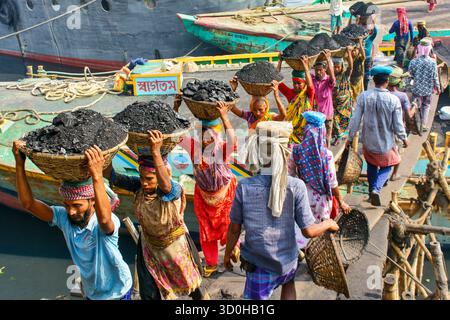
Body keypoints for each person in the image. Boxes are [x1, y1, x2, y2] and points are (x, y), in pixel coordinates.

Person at [223, 121, 340, 300]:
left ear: (259, 151)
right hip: (288, 261)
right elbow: (309, 231)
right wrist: (329, 223)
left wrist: (228, 252)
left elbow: (234, 229)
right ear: (286, 152)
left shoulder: (244, 187)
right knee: (288, 283)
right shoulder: (296, 186)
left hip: (259, 262)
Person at [12, 142, 133, 300]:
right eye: (67, 205)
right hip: (93, 294)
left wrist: (97, 174)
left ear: (93, 201)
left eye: (77, 205)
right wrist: (19, 163)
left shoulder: (104, 223)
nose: (71, 211)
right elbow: (29, 204)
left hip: (118, 292)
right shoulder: (64, 218)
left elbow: (105, 219)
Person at [109, 131, 208, 300]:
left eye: (149, 178)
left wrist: (156, 152)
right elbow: (112, 177)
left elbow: (166, 187)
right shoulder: (138, 186)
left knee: (193, 285)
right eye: (141, 178)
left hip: (175, 248)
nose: (144, 183)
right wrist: (105, 157)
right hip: (149, 248)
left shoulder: (173, 190)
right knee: (149, 292)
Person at [174, 99, 240, 278]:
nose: (207, 139)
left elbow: (233, 139)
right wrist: (176, 107)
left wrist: (225, 117)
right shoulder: (194, 147)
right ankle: (211, 262)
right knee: (205, 231)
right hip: (203, 196)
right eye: (204, 135)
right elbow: (176, 135)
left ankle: (234, 248)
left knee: (229, 224)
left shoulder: (221, 149)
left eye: (212, 136)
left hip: (225, 194)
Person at [347, 66, 408, 206]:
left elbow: (355, 120)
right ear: (387, 82)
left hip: (369, 141)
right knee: (389, 165)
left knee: (372, 165)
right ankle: (376, 189)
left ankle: (371, 192)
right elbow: (398, 124)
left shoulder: (364, 96)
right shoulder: (393, 100)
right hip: (386, 142)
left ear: (374, 81)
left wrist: (350, 138)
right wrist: (404, 138)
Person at [290, 111, 351, 226]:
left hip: (301, 197)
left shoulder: (295, 151)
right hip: (320, 203)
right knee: (318, 231)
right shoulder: (326, 155)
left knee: (302, 230)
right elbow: (332, 183)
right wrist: (341, 202)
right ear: (322, 132)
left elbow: (290, 176)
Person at [276, 54, 316, 144]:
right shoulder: (290, 93)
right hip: (292, 132)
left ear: (304, 83)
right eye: (294, 83)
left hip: (306, 133)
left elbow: (310, 85)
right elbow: (277, 79)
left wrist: (306, 66)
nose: (296, 85)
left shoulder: (308, 94)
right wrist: (280, 61)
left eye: (299, 83)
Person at [408, 38, 441, 132]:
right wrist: (438, 88)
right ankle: (423, 125)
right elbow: (435, 77)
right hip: (428, 89)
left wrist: (409, 87)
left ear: (419, 48)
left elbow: (409, 77)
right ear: (429, 49)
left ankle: (414, 127)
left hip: (416, 89)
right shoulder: (432, 62)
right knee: (426, 106)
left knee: (415, 106)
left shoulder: (413, 62)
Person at [387, 70, 414, 181]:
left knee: (386, 151)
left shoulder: (384, 94)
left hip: (384, 128)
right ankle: (394, 174)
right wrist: (415, 107)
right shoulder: (402, 96)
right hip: (398, 129)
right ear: (399, 83)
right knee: (398, 152)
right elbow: (409, 116)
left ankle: (383, 175)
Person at [312, 50, 336, 147]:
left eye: (320, 70)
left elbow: (332, 77)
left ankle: (328, 154)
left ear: (324, 70)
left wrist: (328, 59)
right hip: (316, 114)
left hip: (327, 115)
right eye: (316, 70)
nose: (318, 72)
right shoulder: (312, 79)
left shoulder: (328, 81)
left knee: (327, 138)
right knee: (317, 137)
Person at [331, 47, 354, 144]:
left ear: (341, 67)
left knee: (343, 121)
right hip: (335, 103)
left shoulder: (345, 75)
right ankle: (338, 136)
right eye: (334, 67)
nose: (336, 69)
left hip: (345, 105)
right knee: (334, 120)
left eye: (338, 67)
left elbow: (351, 67)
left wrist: (349, 53)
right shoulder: (331, 77)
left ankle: (340, 136)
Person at [350, 37, 366, 103]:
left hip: (358, 80)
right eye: (352, 51)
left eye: (355, 50)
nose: (353, 52)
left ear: (358, 50)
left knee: (359, 96)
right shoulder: (349, 58)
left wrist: (360, 43)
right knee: (352, 96)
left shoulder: (360, 58)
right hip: (351, 80)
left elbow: (363, 55)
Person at [363, 25, 378, 90]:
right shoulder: (361, 38)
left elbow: (375, 32)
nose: (367, 31)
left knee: (366, 74)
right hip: (360, 58)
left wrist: (374, 24)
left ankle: (365, 87)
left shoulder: (370, 38)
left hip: (367, 58)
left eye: (369, 30)